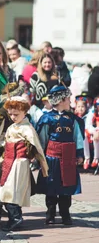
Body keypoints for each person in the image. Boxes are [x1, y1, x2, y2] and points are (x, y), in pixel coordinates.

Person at [0, 94, 48, 232]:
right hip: (9, 162)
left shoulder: (27, 128)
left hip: (19, 163)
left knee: (12, 191)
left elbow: (37, 147)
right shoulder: (11, 128)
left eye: (16, 114)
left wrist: (44, 166)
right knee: (6, 191)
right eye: (11, 114)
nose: (13, 117)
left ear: (24, 112)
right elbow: (7, 147)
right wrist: (0, 161)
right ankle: (14, 217)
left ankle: (16, 218)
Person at [36, 85, 84, 226]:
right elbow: (42, 139)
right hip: (52, 158)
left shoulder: (72, 119)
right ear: (62, 100)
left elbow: (78, 137)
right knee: (51, 186)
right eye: (68, 98)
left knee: (66, 187)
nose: (70, 101)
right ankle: (50, 213)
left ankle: (65, 214)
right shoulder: (47, 119)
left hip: (68, 158)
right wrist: (40, 156)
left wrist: (79, 153)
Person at [84, 97, 99, 171]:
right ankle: (87, 158)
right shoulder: (92, 111)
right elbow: (87, 125)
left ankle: (96, 158)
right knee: (84, 135)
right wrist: (95, 131)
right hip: (95, 132)